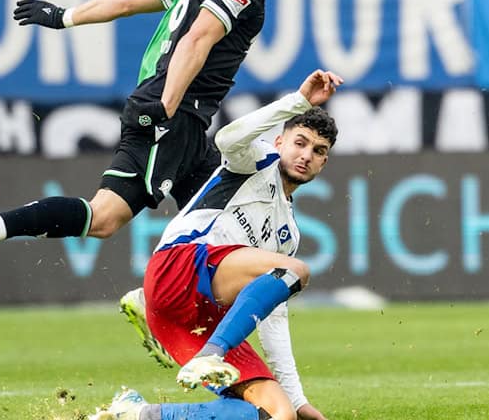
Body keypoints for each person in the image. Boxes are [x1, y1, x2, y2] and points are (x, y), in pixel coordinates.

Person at [0, 0, 285, 289]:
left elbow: (129, 2)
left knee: (219, 219)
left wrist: (63, 16)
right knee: (107, 216)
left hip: (185, 119)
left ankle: (170, 310)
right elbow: (197, 39)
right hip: (173, 112)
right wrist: (167, 105)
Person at [92, 69, 342, 420]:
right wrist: (296, 103)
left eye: (318, 151)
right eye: (299, 142)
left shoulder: (289, 234)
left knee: (278, 413)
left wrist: (298, 401)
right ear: (279, 142)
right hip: (176, 270)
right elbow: (227, 138)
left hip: (193, 321)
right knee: (294, 271)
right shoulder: (256, 162)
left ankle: (139, 414)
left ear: (323, 163)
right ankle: (213, 353)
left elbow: (273, 317)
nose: (306, 155)